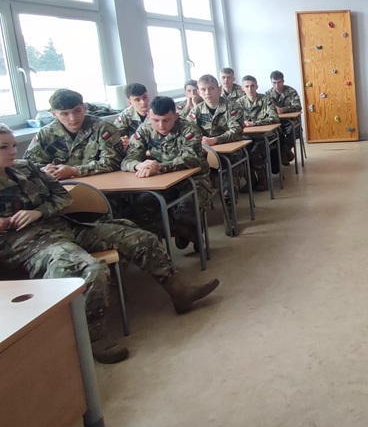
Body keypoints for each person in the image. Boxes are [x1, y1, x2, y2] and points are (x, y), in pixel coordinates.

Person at [0, 123, 220, 364]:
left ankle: (179, 291)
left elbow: (62, 196)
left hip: (63, 226)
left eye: (13, 145)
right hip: (26, 243)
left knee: (140, 238)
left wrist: (39, 211)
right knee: (90, 269)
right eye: (4, 147)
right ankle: (92, 336)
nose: (13, 151)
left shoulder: (26, 168)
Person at [123, 96, 213, 250]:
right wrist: (138, 165)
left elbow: (191, 159)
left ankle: (188, 227)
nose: (161, 125)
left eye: (166, 120)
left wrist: (160, 167)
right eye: (155, 120)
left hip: (193, 179)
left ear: (176, 116)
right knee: (142, 208)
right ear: (148, 116)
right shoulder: (144, 129)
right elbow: (127, 159)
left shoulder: (189, 129)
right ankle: (187, 232)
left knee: (184, 208)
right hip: (161, 182)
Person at [25, 88, 124, 179]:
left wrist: (74, 171)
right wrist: (45, 171)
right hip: (60, 185)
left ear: (84, 108)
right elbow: (28, 165)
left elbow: (113, 162)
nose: (73, 118)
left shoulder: (103, 128)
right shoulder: (45, 134)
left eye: (77, 111)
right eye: (65, 114)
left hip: (100, 183)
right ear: (54, 114)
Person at [237, 75, 280, 191]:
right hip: (246, 137)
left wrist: (254, 123)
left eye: (252, 86)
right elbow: (234, 121)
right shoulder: (239, 103)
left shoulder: (266, 100)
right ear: (242, 88)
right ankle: (250, 180)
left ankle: (262, 179)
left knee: (255, 153)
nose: (250, 89)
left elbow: (275, 118)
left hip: (265, 136)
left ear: (257, 86)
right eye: (247, 86)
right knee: (241, 153)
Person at [267, 70, 302, 164]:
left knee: (292, 130)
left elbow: (298, 107)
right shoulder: (268, 94)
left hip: (291, 120)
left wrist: (283, 110)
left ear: (283, 81)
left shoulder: (291, 91)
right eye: (274, 83)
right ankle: (283, 155)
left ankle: (285, 151)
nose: (277, 85)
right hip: (276, 121)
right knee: (272, 133)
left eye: (279, 82)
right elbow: (265, 109)